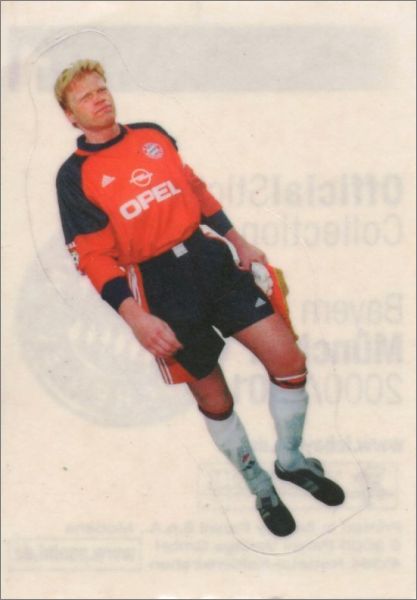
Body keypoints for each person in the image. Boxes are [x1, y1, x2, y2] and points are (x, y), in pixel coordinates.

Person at [54, 59, 344, 537]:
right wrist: (136, 317)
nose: (99, 98)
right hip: (158, 285)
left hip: (210, 260)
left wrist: (238, 240)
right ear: (70, 116)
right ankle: (260, 487)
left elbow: (193, 188)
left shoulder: (152, 134)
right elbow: (94, 256)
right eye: (85, 96)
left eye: (101, 88)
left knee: (289, 361)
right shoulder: (74, 176)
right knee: (214, 396)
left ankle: (291, 461)